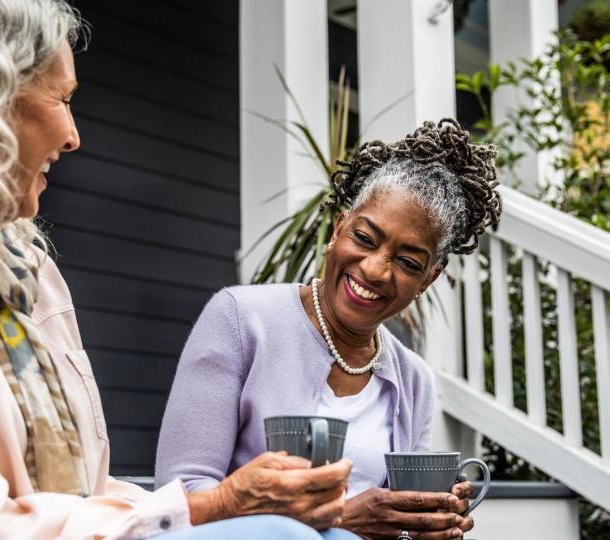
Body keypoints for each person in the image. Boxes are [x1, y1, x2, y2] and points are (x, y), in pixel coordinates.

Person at [0, 1, 358, 538]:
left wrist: (225, 502)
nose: (72, 137)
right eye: (62, 99)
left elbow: (90, 492)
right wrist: (211, 506)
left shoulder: (24, 270)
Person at [155, 119, 503, 539]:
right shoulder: (240, 319)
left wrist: (423, 524)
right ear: (339, 229)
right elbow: (180, 497)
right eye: (364, 237)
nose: (375, 270)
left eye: (409, 263)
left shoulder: (413, 381)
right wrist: (336, 519)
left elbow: (393, 525)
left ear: (428, 279)